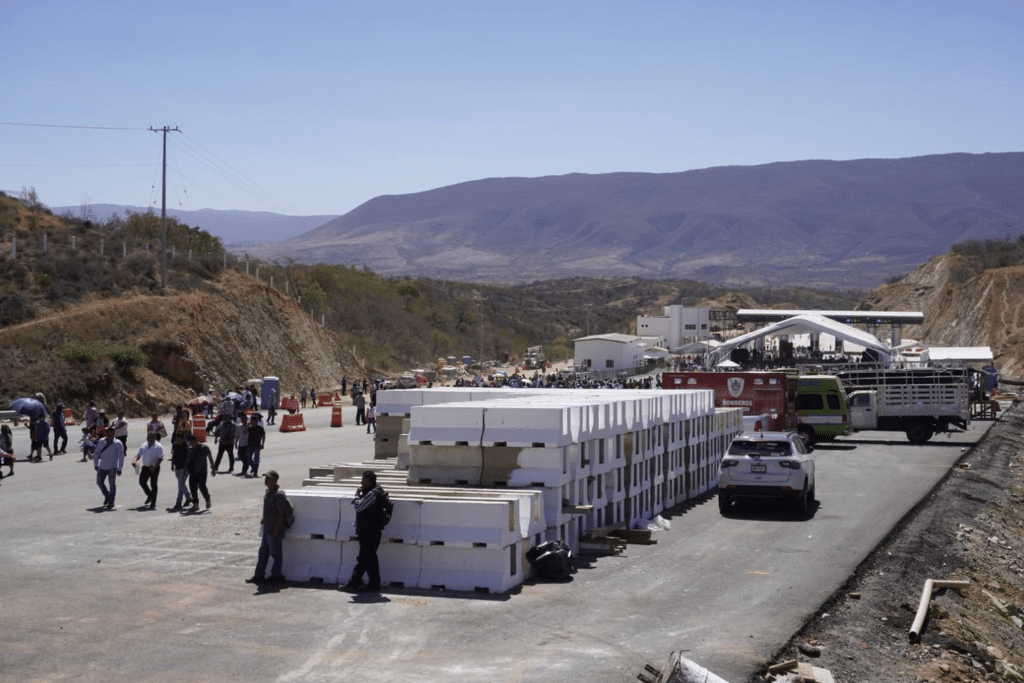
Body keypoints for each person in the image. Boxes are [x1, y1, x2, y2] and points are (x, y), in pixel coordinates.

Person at [342, 471, 385, 592]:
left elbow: (359, 507)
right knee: (370, 558)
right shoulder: (376, 491)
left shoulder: (372, 494)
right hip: (371, 531)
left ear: (370, 482)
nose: (361, 483)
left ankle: (353, 583)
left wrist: (356, 496)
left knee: (363, 558)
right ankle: (374, 584)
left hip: (369, 532)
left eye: (364, 481)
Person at [245, 470, 288, 585]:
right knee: (263, 552)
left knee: (276, 554)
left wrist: (276, 529)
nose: (267, 481)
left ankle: (276, 575)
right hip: (267, 528)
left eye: (269, 479)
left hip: (274, 530)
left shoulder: (279, 495)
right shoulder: (268, 493)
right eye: (266, 479)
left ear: (275, 481)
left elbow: (280, 513)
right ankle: (259, 575)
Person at [93, 426, 125, 510]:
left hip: (112, 467)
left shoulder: (118, 443)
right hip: (102, 466)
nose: (110, 434)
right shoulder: (101, 441)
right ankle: (107, 496)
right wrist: (95, 464)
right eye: (108, 432)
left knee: (112, 485)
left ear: (114, 433)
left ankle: (111, 501)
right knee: (99, 482)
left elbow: (121, 457)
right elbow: (96, 453)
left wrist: (119, 468)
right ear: (106, 433)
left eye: (111, 432)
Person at [168, 410, 194, 511]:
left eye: (185, 415)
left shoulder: (189, 422)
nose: (184, 416)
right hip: (177, 465)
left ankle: (178, 502)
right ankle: (188, 497)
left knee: (180, 484)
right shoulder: (176, 444)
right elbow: (173, 454)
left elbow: (188, 429)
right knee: (181, 483)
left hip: (184, 466)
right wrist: (172, 464)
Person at [184, 433, 215, 512]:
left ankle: (207, 499)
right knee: (193, 488)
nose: (191, 444)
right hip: (193, 472)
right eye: (190, 442)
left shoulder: (204, 448)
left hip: (202, 471)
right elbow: (187, 461)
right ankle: (196, 504)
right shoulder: (189, 449)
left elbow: (210, 457)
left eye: (192, 442)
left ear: (196, 441)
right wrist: (185, 470)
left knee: (202, 486)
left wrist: (213, 467)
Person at [133, 430, 164, 510]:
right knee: (142, 482)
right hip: (145, 467)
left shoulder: (158, 446)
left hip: (154, 468)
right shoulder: (144, 445)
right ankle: (149, 495)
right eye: (149, 437)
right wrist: (135, 461)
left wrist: (155, 466)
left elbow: (160, 458)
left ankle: (153, 503)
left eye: (152, 437)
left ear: (155, 438)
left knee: (153, 485)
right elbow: (138, 454)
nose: (150, 439)